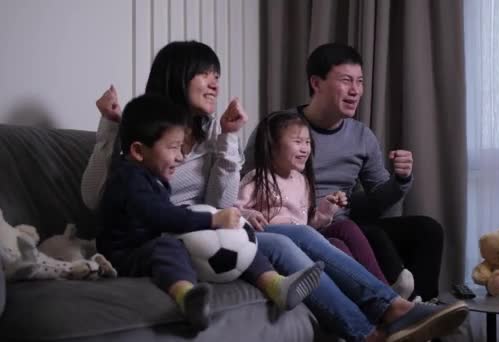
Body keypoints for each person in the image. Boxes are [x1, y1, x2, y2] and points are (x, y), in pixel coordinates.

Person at [82, 40, 466, 341]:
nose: (216, 81)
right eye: (204, 73)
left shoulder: (206, 137)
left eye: (217, 73)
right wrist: (110, 128)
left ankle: (393, 307)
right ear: (176, 76)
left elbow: (221, 202)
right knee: (283, 245)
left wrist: (229, 140)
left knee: (301, 233)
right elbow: (93, 197)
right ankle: (364, 331)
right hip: (173, 235)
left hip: (207, 228)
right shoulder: (144, 132)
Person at [97, 94, 324, 330]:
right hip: (124, 254)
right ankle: (187, 296)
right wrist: (211, 219)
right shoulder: (128, 178)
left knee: (238, 240)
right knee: (167, 247)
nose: (180, 156)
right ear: (138, 151)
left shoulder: (151, 176)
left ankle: (276, 285)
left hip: (152, 241)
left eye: (181, 147)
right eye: (173, 148)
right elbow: (159, 216)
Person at [244, 43, 443, 302]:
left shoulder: (362, 136)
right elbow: (249, 181)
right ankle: (399, 304)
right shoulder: (280, 129)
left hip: (343, 222)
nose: (355, 90)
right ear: (316, 83)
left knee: (427, 229)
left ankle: (425, 310)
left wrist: (400, 179)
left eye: (360, 82)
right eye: (346, 81)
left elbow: (379, 198)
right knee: (366, 232)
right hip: (299, 224)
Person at [236, 111, 414, 299]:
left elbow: (306, 224)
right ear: (273, 146)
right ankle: (378, 297)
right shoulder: (257, 178)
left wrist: (325, 212)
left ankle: (380, 292)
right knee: (335, 240)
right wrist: (248, 215)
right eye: (297, 142)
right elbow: (234, 211)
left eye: (307, 142)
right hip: (284, 246)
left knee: (344, 229)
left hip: (306, 239)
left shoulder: (302, 181)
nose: (305, 149)